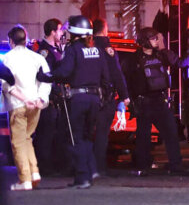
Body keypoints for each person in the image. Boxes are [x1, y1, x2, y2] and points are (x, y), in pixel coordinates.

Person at [36, 15, 125, 189]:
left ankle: (83, 176)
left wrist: (44, 77)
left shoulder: (73, 49)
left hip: (78, 99)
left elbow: (64, 71)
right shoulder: (97, 50)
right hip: (95, 99)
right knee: (87, 136)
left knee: (74, 138)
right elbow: (106, 76)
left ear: (74, 32)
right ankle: (90, 172)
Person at [123, 27, 189, 176]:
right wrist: (128, 100)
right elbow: (126, 80)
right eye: (154, 38)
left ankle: (175, 165)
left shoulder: (162, 55)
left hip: (159, 101)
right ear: (145, 41)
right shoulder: (133, 59)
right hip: (143, 102)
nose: (157, 41)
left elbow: (181, 63)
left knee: (171, 133)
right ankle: (142, 166)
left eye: (157, 38)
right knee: (143, 136)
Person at [3, 25, 51, 190]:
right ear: (26, 39)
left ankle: (25, 180)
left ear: (11, 41)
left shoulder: (7, 59)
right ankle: (34, 172)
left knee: (18, 142)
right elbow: (46, 80)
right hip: (35, 105)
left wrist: (23, 99)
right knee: (27, 138)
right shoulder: (37, 58)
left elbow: (5, 84)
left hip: (18, 105)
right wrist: (40, 99)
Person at [31, 18, 69, 178]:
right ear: (53, 32)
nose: (61, 34)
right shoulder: (44, 51)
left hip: (58, 99)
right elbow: (46, 76)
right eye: (59, 30)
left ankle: (55, 164)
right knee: (46, 135)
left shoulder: (57, 49)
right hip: (49, 99)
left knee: (56, 134)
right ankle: (44, 167)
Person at [91, 19, 128, 177]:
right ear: (104, 29)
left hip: (87, 97)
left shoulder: (87, 47)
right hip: (105, 97)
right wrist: (124, 95)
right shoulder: (108, 49)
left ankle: (85, 166)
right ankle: (99, 167)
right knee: (101, 134)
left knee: (86, 134)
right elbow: (116, 74)